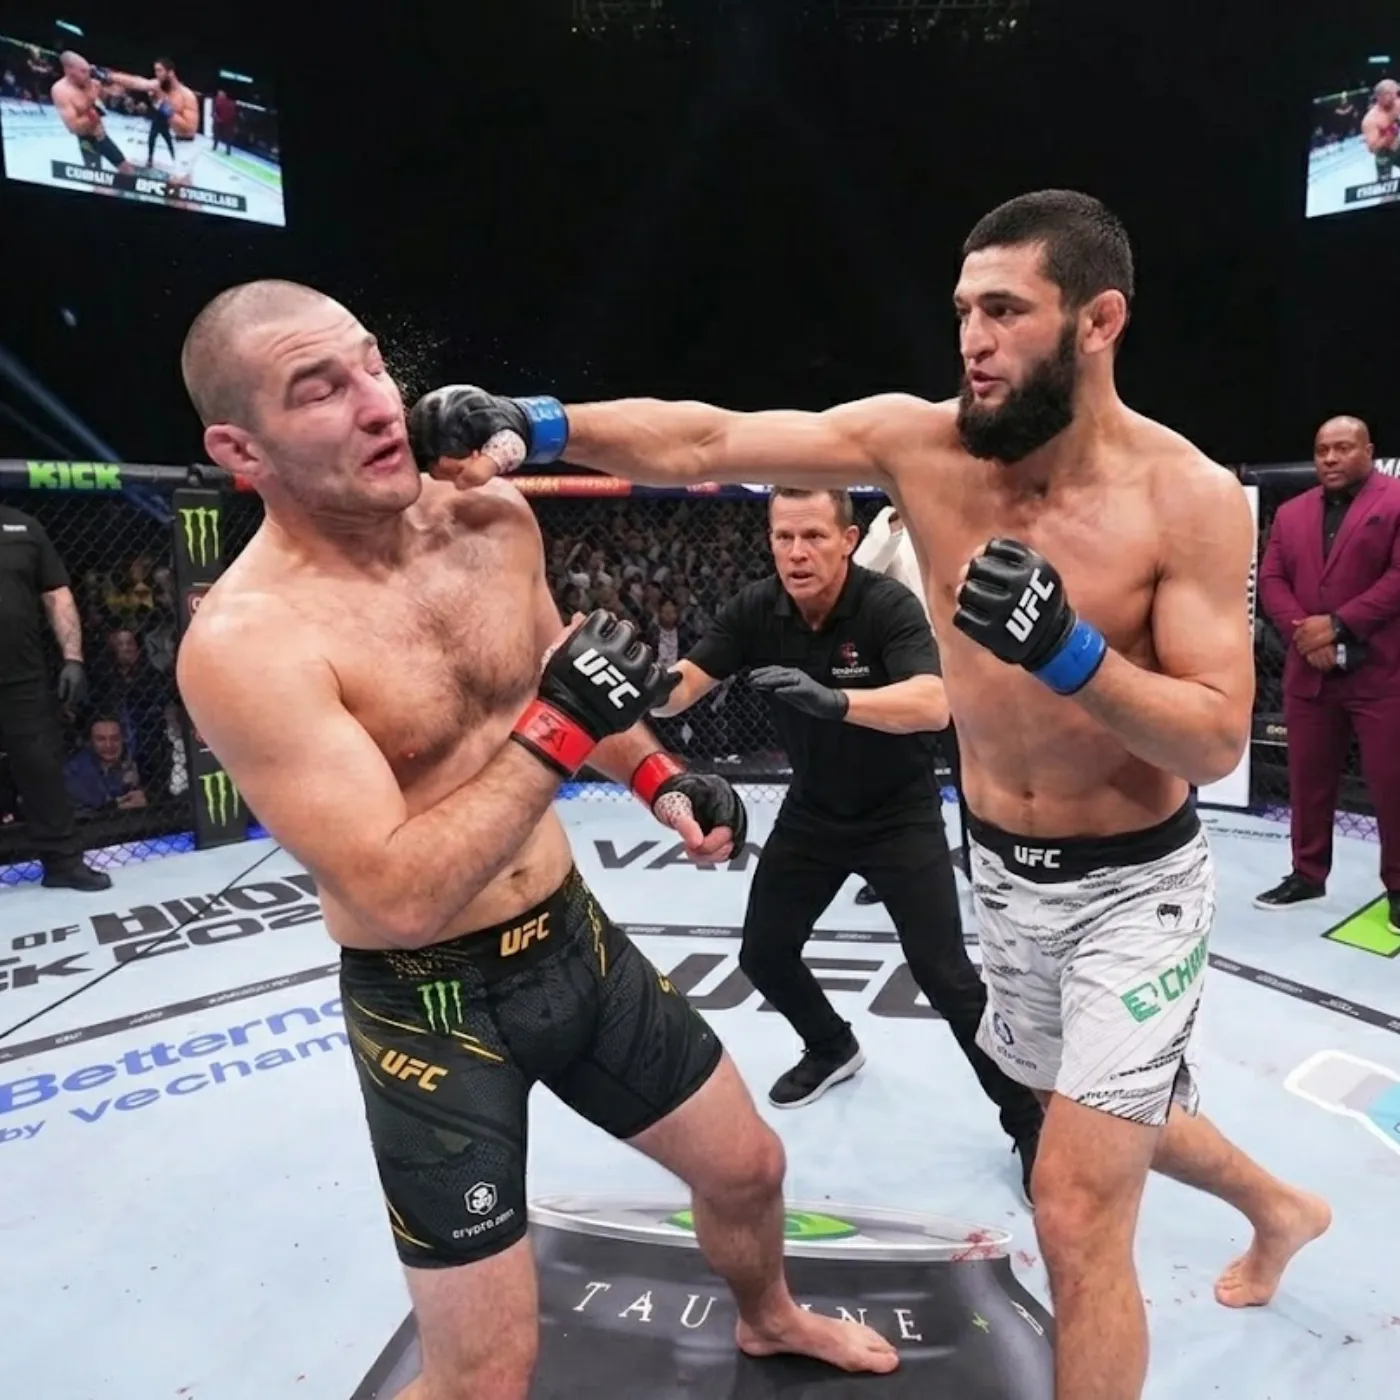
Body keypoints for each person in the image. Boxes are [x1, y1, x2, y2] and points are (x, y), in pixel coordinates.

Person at [407, 189, 1334, 1400]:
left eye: (1004, 311)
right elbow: (708, 441)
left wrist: (1070, 653)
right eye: (962, 312)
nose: (972, 341)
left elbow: (1212, 739)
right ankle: (1278, 1203)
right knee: (1100, 1114)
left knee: (1070, 1199)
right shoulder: (921, 445)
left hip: (1135, 890)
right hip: (1001, 871)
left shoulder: (1187, 496)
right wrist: (538, 419)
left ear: (1098, 320)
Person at [174, 279, 899, 1400]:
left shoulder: (490, 520)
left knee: (748, 1167)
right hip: (428, 1006)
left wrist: (660, 777)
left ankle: (770, 1318)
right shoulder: (246, 642)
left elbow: (564, 677)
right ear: (240, 449)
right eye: (318, 390)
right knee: (485, 1373)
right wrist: (561, 725)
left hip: (570, 942)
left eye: (372, 364)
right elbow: (398, 890)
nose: (377, 404)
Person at [657, 484, 1043, 1192]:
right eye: (784, 538)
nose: (797, 553)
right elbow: (683, 686)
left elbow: (932, 703)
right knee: (763, 954)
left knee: (945, 976)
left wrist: (835, 701)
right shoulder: (758, 608)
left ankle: (1027, 1119)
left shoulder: (884, 606)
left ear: (847, 539)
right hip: (814, 809)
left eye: (812, 536)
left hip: (898, 812)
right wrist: (640, 684)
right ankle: (832, 1045)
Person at [1256, 416, 1400, 933]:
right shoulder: (1291, 512)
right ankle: (1307, 874)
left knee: (1392, 785)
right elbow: (1271, 578)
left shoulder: (1395, 500)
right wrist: (1305, 633)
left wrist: (1337, 625)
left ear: (1369, 450)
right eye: (1322, 450)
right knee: (1308, 781)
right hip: (1309, 671)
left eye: (1343, 448)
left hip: (1381, 673)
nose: (1331, 458)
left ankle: (1399, 887)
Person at [0, 500, 110, 891]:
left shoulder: (24, 528)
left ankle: (63, 862)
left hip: (21, 675)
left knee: (41, 768)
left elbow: (57, 593)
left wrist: (73, 657)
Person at [49, 51, 138, 176]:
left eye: (88, 71)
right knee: (96, 180)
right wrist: (93, 106)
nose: (87, 75)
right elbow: (73, 127)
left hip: (102, 137)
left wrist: (119, 96)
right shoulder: (60, 91)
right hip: (87, 141)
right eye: (83, 71)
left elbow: (111, 94)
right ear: (69, 70)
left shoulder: (92, 82)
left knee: (129, 172)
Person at [1361, 79, 1399, 182]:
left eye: (1395, 93)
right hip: (1386, 153)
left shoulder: (1397, 104)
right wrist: (1390, 133)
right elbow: (1373, 148)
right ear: (1379, 96)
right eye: (1389, 94)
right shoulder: (1371, 120)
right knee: (1381, 154)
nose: (1394, 97)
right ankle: (1385, 183)